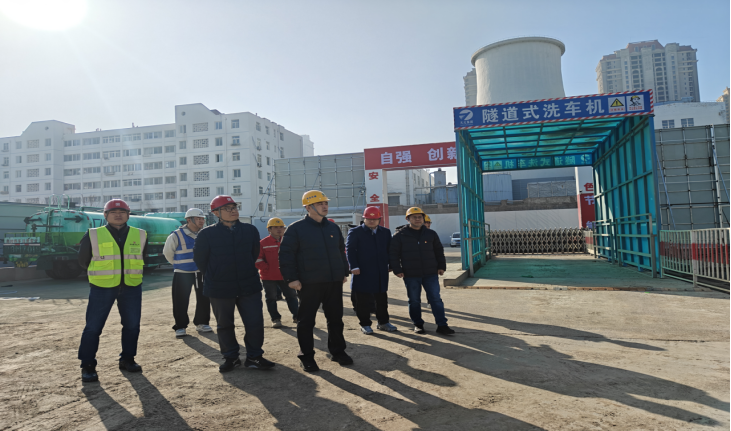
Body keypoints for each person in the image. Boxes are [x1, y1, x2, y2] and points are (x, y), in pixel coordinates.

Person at [193, 196, 275, 373]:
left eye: (234, 207)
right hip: (219, 287)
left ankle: (254, 357)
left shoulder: (250, 230)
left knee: (254, 322)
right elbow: (200, 260)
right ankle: (231, 357)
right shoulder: (206, 234)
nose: (233, 211)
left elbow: (253, 253)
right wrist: (217, 275)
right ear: (216, 213)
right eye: (228, 208)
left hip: (248, 285)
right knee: (224, 324)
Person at [279, 190, 352, 372]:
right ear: (308, 207)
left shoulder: (333, 228)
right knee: (306, 321)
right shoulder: (296, 229)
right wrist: (291, 279)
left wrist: (343, 272)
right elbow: (286, 255)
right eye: (320, 204)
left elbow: (340, 251)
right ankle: (307, 356)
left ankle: (338, 352)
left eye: (325, 203)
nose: (325, 206)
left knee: (335, 319)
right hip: (309, 282)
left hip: (333, 281)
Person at [77, 199, 149, 382]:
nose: (118, 215)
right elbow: (83, 260)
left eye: (122, 212)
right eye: (113, 212)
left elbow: (143, 257)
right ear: (105, 215)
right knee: (93, 327)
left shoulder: (140, 234)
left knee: (132, 326)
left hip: (131, 286)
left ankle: (128, 359)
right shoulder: (93, 234)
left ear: (128, 215)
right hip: (102, 287)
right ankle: (87, 365)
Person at [389, 207, 454, 335]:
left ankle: (442, 325)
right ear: (408, 219)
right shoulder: (400, 235)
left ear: (423, 219)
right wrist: (397, 269)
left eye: (420, 217)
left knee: (435, 299)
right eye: (414, 217)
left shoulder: (431, 234)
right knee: (414, 300)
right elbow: (393, 254)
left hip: (430, 273)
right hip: (410, 274)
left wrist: (441, 266)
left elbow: (439, 251)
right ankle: (418, 324)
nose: (417, 219)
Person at [163, 208, 213, 338]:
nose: (201, 221)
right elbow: (167, 253)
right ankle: (180, 326)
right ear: (189, 220)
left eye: (202, 219)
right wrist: (178, 264)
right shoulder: (176, 235)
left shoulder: (205, 234)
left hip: (201, 272)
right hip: (182, 272)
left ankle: (202, 323)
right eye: (198, 218)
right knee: (180, 299)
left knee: (204, 298)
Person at [346, 206, 396, 335]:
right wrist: (354, 266)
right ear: (364, 219)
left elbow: (390, 250)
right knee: (362, 300)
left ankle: (383, 322)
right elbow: (350, 250)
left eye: (375, 219)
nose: (372, 221)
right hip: (362, 271)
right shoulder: (355, 232)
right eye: (369, 219)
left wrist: (391, 264)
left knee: (381, 299)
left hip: (380, 271)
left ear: (379, 219)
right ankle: (365, 324)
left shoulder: (385, 232)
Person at [256, 217, 299, 328]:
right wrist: (267, 268)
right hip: (268, 277)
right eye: (275, 227)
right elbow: (257, 259)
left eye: (281, 227)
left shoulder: (288, 242)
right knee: (271, 298)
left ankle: (297, 316)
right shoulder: (263, 243)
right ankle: (275, 319)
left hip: (286, 276)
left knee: (292, 296)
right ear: (269, 229)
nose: (279, 229)